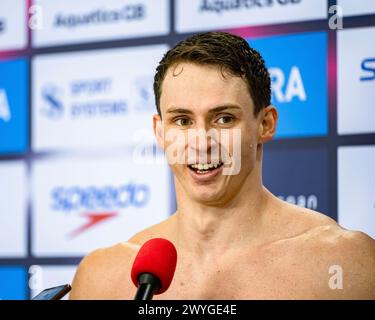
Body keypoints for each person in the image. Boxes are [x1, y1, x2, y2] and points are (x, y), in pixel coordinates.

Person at [70, 32, 375, 299]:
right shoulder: (103, 277)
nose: (202, 142)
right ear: (160, 132)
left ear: (265, 124)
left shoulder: (346, 264)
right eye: (182, 121)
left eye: (224, 118)